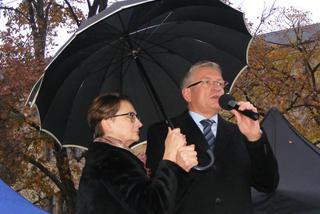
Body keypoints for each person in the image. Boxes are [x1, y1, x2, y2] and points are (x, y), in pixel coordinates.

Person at [146, 61, 279, 214]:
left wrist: (255, 138)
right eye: (207, 82)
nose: (217, 87)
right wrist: (176, 167)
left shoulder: (241, 131)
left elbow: (268, 184)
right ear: (187, 94)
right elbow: (159, 196)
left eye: (220, 83)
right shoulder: (164, 132)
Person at [76, 93, 198, 214]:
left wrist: (180, 168)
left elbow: (165, 206)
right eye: (131, 116)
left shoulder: (108, 156)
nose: (140, 124)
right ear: (107, 123)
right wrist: (169, 156)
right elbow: (154, 208)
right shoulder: (110, 158)